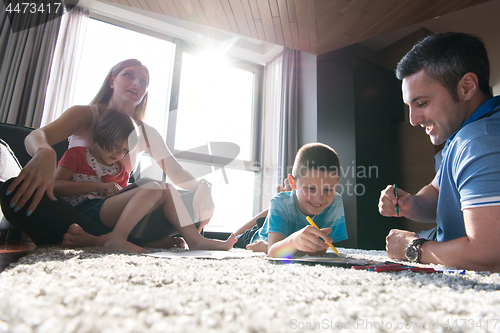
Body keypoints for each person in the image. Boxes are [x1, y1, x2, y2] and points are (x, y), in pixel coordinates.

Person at [0, 59, 227, 247]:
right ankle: (124, 239)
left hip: (121, 212)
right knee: (14, 193)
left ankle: (101, 239)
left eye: (144, 81)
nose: (137, 83)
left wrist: (203, 187)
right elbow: (35, 137)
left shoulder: (147, 133)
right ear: (112, 80)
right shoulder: (85, 114)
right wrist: (43, 152)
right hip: (76, 211)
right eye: (129, 75)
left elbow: (178, 173)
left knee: (182, 199)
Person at [378, 32, 500, 272]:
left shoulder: (481, 141)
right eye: (409, 106)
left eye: (421, 103)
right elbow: (437, 190)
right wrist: (411, 203)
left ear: (466, 87)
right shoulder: (461, 136)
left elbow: (490, 253)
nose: (413, 120)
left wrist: (414, 248)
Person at [54, 110, 234, 253]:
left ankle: (195, 240)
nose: (119, 154)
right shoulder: (77, 154)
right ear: (103, 134)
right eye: (117, 145)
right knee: (154, 187)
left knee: (167, 188)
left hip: (108, 213)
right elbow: (56, 186)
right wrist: (100, 186)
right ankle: (116, 239)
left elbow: (130, 209)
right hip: (86, 208)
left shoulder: (120, 170)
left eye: (124, 150)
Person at [235, 143, 348, 258]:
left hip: (283, 222)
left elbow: (320, 249)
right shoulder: (279, 203)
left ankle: (288, 197)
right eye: (311, 188)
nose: (319, 198)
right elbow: (274, 253)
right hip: (258, 236)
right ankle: (284, 199)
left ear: (336, 184)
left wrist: (289, 246)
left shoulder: (335, 201)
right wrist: (285, 243)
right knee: (233, 239)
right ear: (293, 182)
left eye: (328, 189)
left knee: (281, 204)